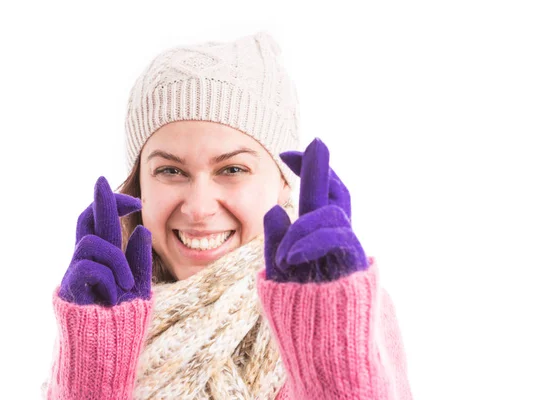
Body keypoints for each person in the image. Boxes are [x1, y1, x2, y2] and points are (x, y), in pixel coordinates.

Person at [43, 31, 413, 399]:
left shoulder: (352, 310)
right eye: (171, 171)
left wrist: (331, 349)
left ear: (284, 182)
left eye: (232, 169)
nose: (199, 208)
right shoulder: (101, 318)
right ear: (138, 185)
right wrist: (90, 374)